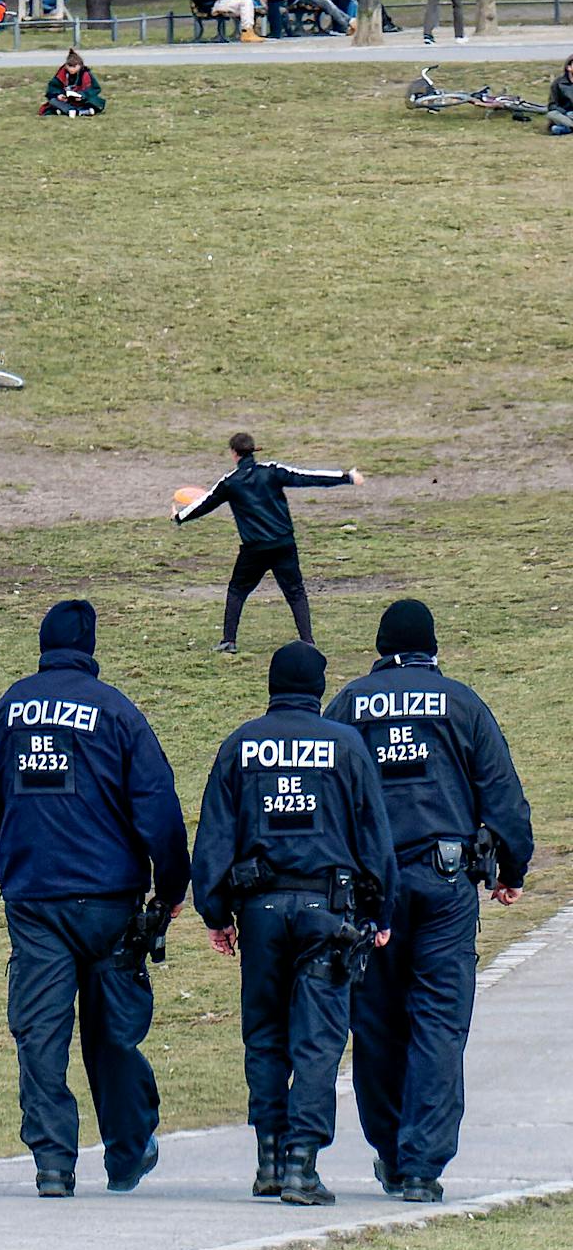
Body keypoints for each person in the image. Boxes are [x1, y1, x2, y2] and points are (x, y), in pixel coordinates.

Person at [0, 600, 190, 1200]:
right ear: (90, 647)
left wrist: (14, 873)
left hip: (35, 898)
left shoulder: (7, 711)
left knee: (39, 1031)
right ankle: (126, 1152)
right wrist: (172, 889)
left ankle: (52, 1163)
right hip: (111, 902)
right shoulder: (117, 712)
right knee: (113, 1033)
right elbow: (157, 806)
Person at [326, 600, 532, 1203]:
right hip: (444, 885)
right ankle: (421, 1165)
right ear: (431, 648)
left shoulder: (349, 703)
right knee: (439, 1023)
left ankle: (390, 1153)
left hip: (368, 893)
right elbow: (502, 795)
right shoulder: (461, 703)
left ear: (380, 645)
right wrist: (509, 870)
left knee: (376, 1022)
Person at [192, 642, 397, 1206]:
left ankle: (269, 1159)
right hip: (328, 914)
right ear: (318, 688)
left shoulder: (241, 744)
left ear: (272, 685)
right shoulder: (346, 745)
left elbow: (213, 836)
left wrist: (215, 913)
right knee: (318, 1039)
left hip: (258, 912)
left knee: (264, 1035)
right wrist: (381, 911)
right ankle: (304, 1164)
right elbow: (373, 836)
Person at [174, 432, 362, 653]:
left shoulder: (230, 482)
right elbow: (308, 477)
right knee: (295, 591)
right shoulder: (272, 472)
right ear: (253, 451)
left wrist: (179, 517)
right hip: (284, 544)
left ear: (234, 454)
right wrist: (346, 477)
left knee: (237, 590)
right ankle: (308, 641)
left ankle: (229, 641)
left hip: (254, 549)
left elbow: (205, 503)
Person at [40, 49, 104, 114]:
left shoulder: (85, 74)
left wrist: (82, 96)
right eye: (69, 66)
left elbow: (95, 89)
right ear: (66, 65)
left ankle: (68, 111)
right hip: (66, 101)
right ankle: (74, 110)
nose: (71, 69)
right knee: (53, 100)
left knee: (95, 101)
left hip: (82, 100)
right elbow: (53, 88)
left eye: (74, 66)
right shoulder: (61, 74)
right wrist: (58, 95)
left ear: (80, 65)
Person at [547, 52, 573, 133]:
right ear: (569, 67)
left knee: (556, 129)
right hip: (565, 114)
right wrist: (564, 113)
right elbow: (552, 105)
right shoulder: (558, 83)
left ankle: (567, 128)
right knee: (552, 114)